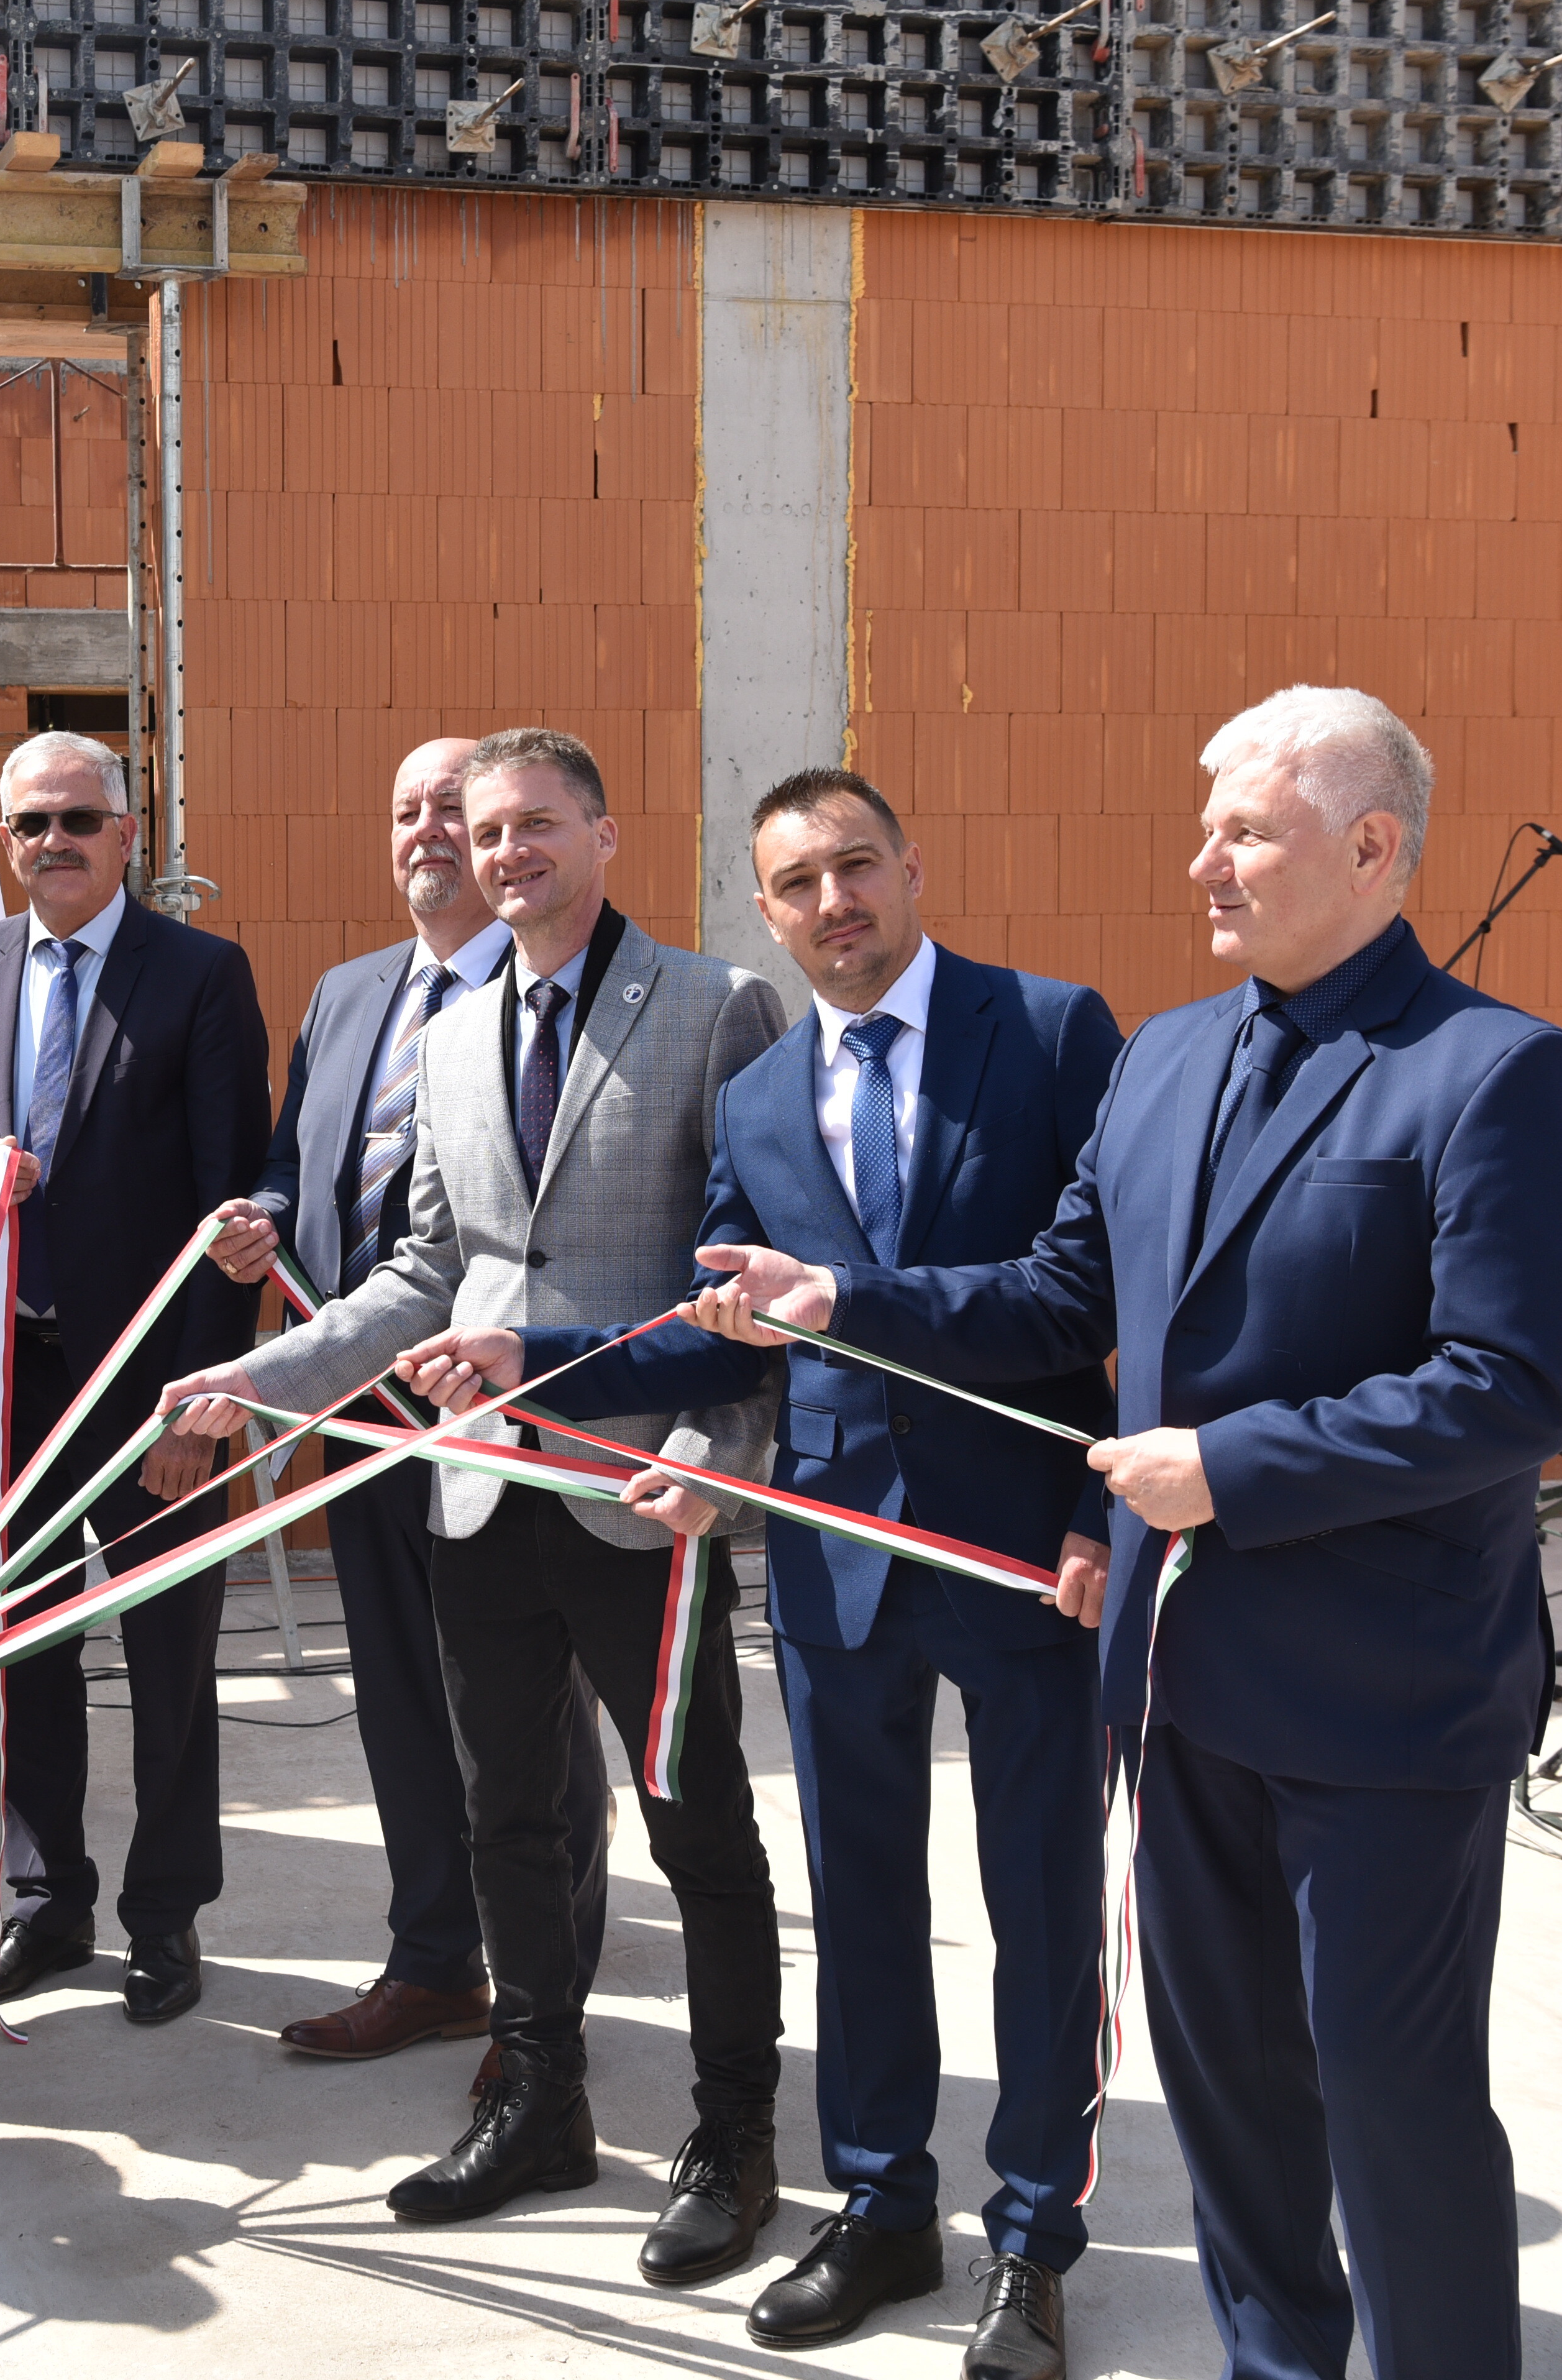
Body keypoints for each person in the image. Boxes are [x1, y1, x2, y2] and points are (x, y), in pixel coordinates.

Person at [416, 690, 1562, 2380]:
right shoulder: (1175, 1059)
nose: (1203, 861)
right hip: (1179, 1683)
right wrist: (832, 1302)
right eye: (1205, 827)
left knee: (1388, 2103)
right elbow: (1058, 1294)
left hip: (1383, 1697)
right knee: (1232, 2100)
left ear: (1371, 848)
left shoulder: (1500, 1073)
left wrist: (1225, 1469)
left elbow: (1508, 1389)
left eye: (1245, 832)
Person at [398, 767, 1123, 2376]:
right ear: (766, 910)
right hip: (834, 1554)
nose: (832, 904)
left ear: (912, 865)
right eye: (797, 885)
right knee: (859, 1902)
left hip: (1018, 1544)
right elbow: (727, 1327)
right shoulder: (763, 1096)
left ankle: (1028, 2239)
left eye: (856, 866)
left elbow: (1097, 1289)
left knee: (1038, 1909)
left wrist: (1107, 1511)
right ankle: (878, 2206)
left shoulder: (1048, 1030)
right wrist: (537, 1360)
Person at [158, 727, 790, 2292]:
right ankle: (540, 2102)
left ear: (603, 833)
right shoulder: (446, 1036)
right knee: (506, 1815)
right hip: (480, 1488)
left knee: (696, 1826)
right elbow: (426, 1272)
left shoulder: (713, 1006)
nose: (505, 852)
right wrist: (264, 1380)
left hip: (646, 1493)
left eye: (533, 824)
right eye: (485, 829)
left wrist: (717, 1453)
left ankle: (732, 2135)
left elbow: (747, 1281)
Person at [204, 736, 616, 2074]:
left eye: (456, 808)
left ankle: (546, 1994)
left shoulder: (549, 985)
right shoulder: (347, 994)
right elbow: (299, 1161)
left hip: (501, 1408)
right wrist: (264, 1217)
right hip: (361, 1408)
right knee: (394, 1695)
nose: (431, 832)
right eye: (407, 811)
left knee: (529, 1715)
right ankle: (435, 1961)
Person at [0, 731, 272, 2028]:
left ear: (126, 831)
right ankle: (46, 1905)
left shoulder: (201, 974)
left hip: (152, 1390)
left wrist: (203, 1398)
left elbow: (231, 1202)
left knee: (169, 1659)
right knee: (18, 1654)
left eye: (76, 819)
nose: (53, 842)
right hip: (8, 1377)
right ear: (6, 840)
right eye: (29, 824)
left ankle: (166, 1918)